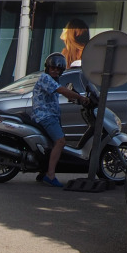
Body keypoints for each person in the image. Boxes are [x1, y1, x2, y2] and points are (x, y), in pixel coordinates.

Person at [32, 51, 87, 187]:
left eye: (58, 69)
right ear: (47, 68)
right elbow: (62, 90)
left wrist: (74, 98)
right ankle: (50, 175)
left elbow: (62, 92)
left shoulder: (53, 80)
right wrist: (80, 97)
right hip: (46, 117)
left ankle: (43, 171)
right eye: (53, 68)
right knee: (60, 141)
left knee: (51, 145)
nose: (55, 71)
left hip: (51, 117)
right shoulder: (45, 78)